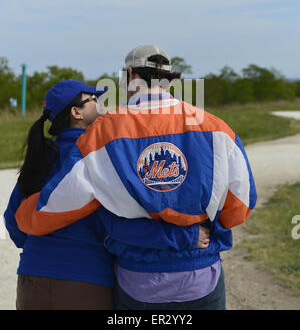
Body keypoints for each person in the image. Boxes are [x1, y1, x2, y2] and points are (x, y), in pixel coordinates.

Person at [15, 45, 257, 310]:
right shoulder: (216, 127)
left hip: (139, 281)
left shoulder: (104, 130)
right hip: (200, 275)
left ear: (130, 75)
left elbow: (61, 202)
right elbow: (240, 206)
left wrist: (24, 217)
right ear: (169, 77)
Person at [6, 79, 207, 310]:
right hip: (84, 282)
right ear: (76, 113)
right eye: (93, 100)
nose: (102, 105)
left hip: (31, 279)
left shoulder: (39, 159)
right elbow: (120, 228)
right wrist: (188, 237)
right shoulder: (101, 157)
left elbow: (14, 223)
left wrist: (44, 250)